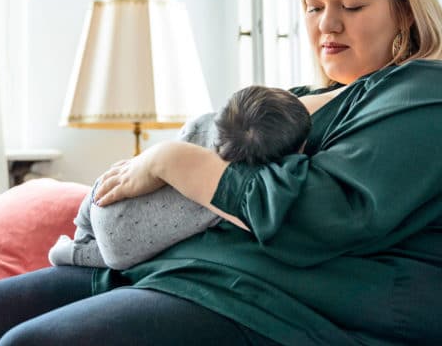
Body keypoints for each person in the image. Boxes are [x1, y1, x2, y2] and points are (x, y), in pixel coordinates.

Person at [0, 0, 442, 346]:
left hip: (307, 311)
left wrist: (174, 161)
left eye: (352, 5)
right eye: (314, 7)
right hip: (203, 276)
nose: (327, 25)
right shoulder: (299, 96)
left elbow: (329, 215)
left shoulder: (434, 94)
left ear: (406, 13)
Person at [48, 85, 312, 270]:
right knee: (108, 255)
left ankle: (81, 229)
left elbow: (184, 135)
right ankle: (70, 253)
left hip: (105, 193)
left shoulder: (202, 125)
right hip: (121, 248)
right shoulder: (227, 186)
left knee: (110, 182)